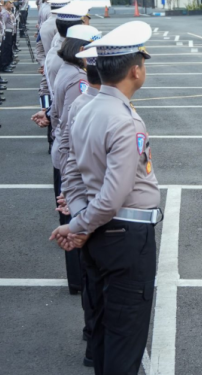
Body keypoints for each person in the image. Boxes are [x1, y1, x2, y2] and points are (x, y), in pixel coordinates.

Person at [51, 20, 159, 375]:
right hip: (125, 237)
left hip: (99, 234)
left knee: (102, 329)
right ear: (135, 71)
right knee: (125, 335)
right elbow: (114, 196)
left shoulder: (86, 108)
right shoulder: (126, 120)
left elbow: (70, 170)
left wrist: (79, 220)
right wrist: (78, 226)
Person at [49, 23, 101, 295]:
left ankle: (78, 279)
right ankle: (79, 280)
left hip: (65, 153)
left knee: (71, 214)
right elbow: (71, 129)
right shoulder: (78, 79)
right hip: (71, 157)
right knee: (73, 215)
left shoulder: (67, 70)